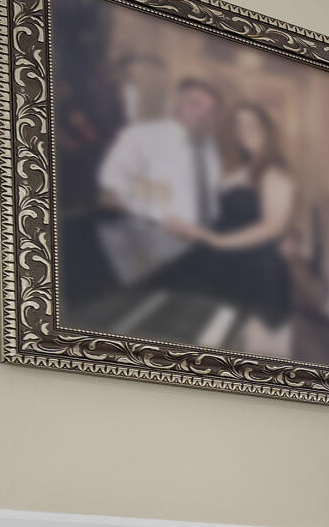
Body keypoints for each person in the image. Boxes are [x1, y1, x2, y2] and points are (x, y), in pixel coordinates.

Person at [157, 99, 298, 336]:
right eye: (238, 124)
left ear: (267, 130)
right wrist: (187, 229)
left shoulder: (274, 170)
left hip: (255, 269)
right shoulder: (238, 167)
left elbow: (273, 225)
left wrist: (215, 240)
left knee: (247, 346)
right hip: (227, 261)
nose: (244, 131)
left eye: (252, 124)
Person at [94, 74, 224, 289]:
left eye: (210, 110)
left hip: (201, 247)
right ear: (178, 102)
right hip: (151, 240)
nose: (202, 114)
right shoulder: (142, 135)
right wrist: (160, 217)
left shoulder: (210, 147)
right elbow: (111, 179)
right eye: (195, 104)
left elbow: (209, 195)